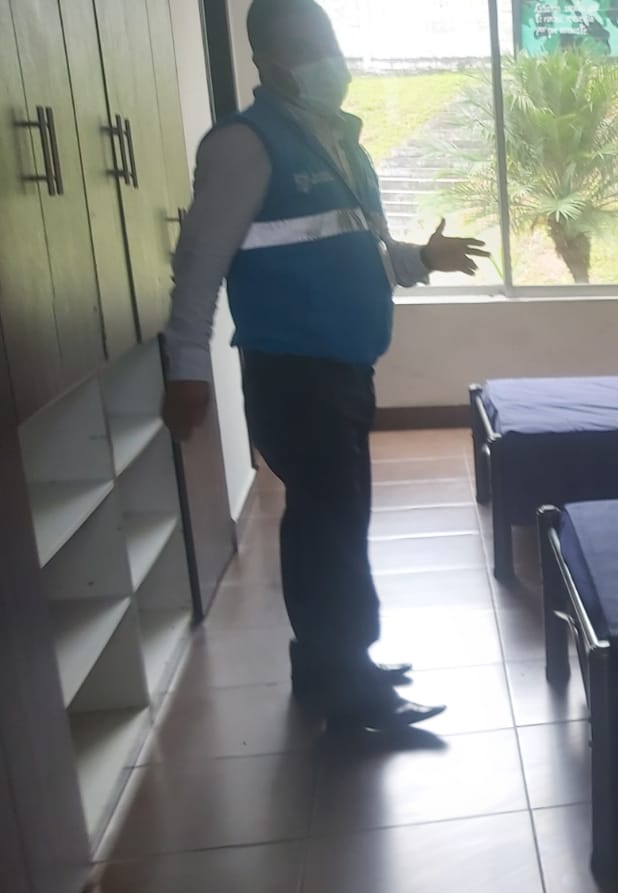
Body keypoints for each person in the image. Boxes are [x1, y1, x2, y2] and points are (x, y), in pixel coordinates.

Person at [162, 0, 489, 732]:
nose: (328, 60)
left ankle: (330, 668)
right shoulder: (245, 145)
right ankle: (348, 693)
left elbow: (359, 252)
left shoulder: (338, 142)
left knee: (333, 521)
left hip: (341, 368)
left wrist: (421, 258)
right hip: (293, 372)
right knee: (330, 527)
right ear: (268, 61)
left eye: (329, 41)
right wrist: (186, 366)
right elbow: (199, 263)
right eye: (310, 45)